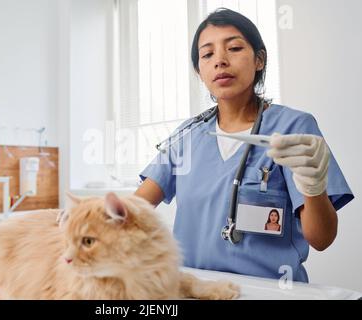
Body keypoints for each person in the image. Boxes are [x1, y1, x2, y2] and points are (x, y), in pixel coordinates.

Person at [135, 8, 354, 282]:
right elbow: (132, 210)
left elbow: (322, 239)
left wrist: (314, 187)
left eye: (235, 48)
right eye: (207, 54)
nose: (221, 61)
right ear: (199, 71)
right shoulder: (187, 137)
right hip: (195, 289)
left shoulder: (293, 128)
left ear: (259, 60)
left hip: (270, 293)